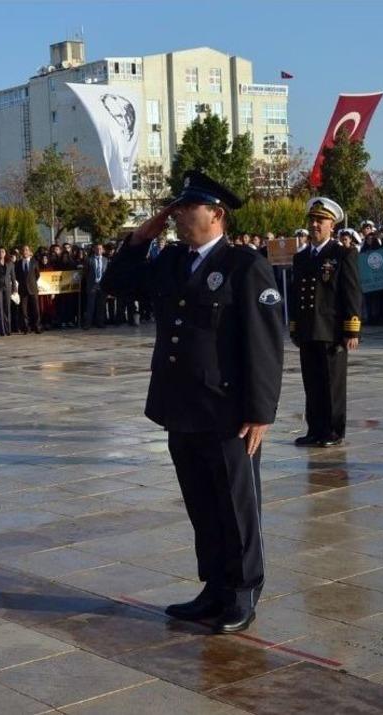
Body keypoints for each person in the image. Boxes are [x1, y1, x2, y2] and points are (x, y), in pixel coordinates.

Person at [101, 171, 284, 634]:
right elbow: (116, 286)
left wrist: (261, 411)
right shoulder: (169, 261)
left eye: (188, 208)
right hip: (179, 404)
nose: (178, 215)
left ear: (216, 214)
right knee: (201, 502)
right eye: (177, 208)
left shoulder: (244, 265)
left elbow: (265, 342)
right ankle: (214, 587)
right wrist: (140, 238)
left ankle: (242, 592)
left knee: (235, 503)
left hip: (227, 411)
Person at [290, 197, 362, 448]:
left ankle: (333, 430)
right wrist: (294, 326)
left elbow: (351, 292)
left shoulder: (342, 254)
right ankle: (316, 429)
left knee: (332, 384)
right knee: (312, 382)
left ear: (332, 224)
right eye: (312, 220)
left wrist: (351, 329)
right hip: (309, 328)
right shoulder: (301, 258)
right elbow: (296, 294)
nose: (314, 225)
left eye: (320, 221)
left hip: (331, 329)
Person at [0, 247, 17, 337]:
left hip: (7, 288)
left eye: (3, 251)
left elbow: (13, 277)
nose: (1, 253)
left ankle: (8, 329)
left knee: (7, 308)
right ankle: (2, 330)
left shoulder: (10, 263)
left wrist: (14, 289)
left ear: (5, 253)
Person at [82, 242, 109, 329]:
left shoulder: (105, 260)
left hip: (102, 285)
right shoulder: (89, 259)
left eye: (100, 249)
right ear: (94, 249)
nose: (98, 250)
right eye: (97, 248)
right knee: (90, 305)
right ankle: (88, 324)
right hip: (92, 285)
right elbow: (85, 273)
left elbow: (107, 272)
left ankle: (100, 323)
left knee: (101, 305)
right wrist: (90, 282)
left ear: (103, 250)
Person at [16, 245, 41, 334]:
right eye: (23, 250)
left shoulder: (34, 262)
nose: (25, 252)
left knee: (36, 309)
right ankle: (26, 328)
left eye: (27, 250)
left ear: (30, 252)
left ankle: (37, 327)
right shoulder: (18, 263)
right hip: (23, 290)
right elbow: (17, 276)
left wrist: (32, 283)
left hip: (33, 288)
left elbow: (37, 275)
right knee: (24, 310)